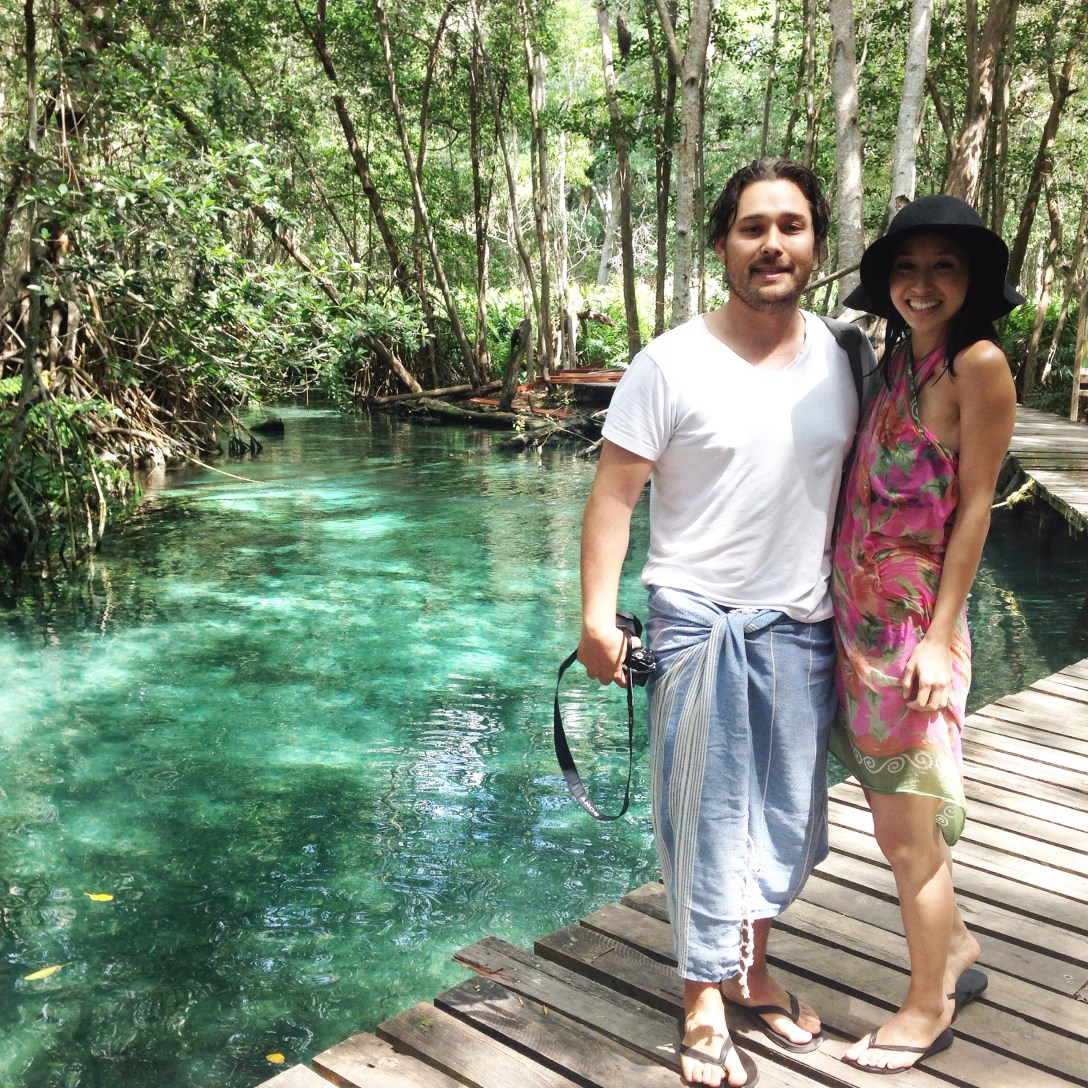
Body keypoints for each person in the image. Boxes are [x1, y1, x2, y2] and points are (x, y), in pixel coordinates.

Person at [577, 158, 874, 1088]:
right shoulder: (669, 361)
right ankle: (702, 994)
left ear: (817, 241)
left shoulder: (844, 355)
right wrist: (595, 619)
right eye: (753, 227)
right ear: (722, 246)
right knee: (706, 818)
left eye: (791, 225)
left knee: (786, 818)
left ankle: (749, 968)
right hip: (696, 623)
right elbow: (614, 496)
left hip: (802, 623)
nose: (773, 243)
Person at [831, 194, 1022, 1073]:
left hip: (912, 629)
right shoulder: (898, 360)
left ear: (971, 279)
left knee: (909, 833)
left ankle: (926, 1003)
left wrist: (943, 638)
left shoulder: (979, 366)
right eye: (907, 268)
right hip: (856, 622)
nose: (921, 284)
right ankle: (955, 950)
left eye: (943, 266)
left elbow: (976, 507)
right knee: (894, 820)